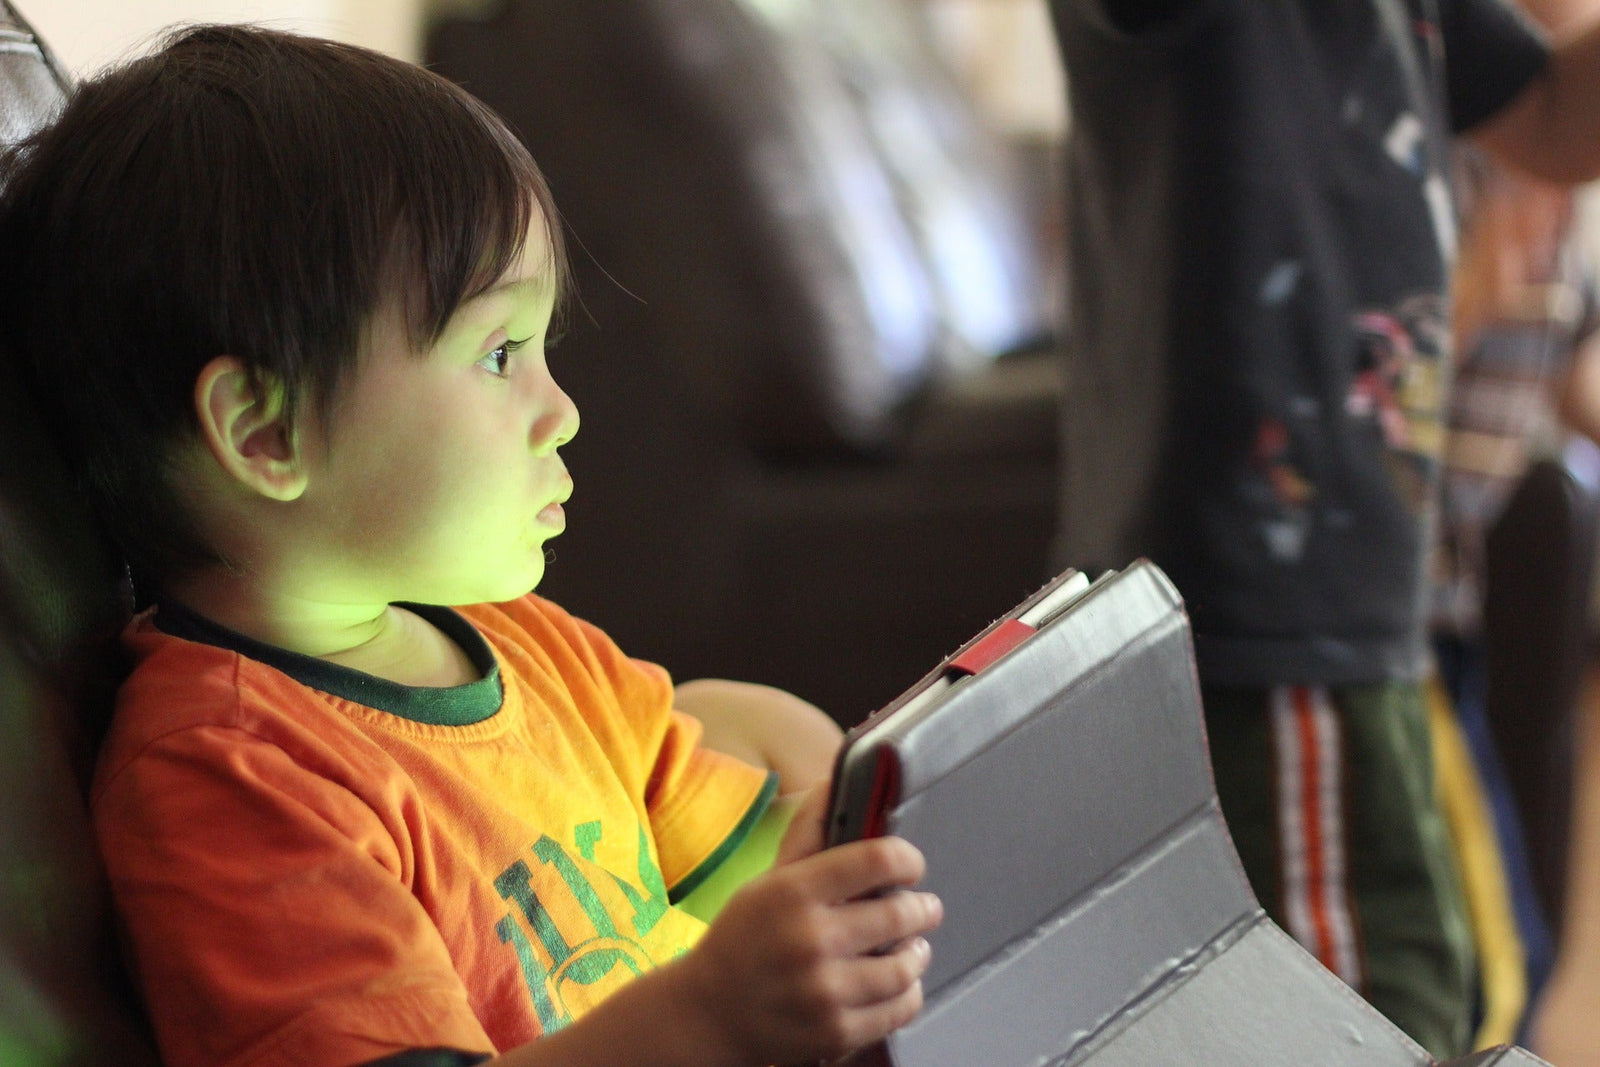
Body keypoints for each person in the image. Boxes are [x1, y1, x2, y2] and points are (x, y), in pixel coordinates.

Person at [0, 25, 943, 1067]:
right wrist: (707, 1016)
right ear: (266, 432)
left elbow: (743, 863)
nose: (563, 412)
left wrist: (856, 837)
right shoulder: (235, 773)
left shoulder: (534, 652)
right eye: (500, 353)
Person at [1047, 0, 1600, 1056]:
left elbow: (1554, 117)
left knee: (1422, 975)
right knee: (1362, 1008)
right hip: (1263, 601)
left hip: (1358, 594)